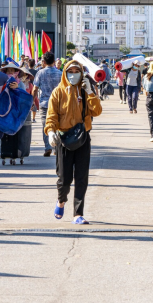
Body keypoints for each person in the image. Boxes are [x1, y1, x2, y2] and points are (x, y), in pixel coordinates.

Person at [45, 60, 102, 225]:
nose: (74, 74)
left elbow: (97, 111)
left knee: (82, 176)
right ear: (65, 73)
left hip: (83, 137)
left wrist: (91, 92)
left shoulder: (85, 91)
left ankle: (78, 213)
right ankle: (61, 200)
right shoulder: (58, 92)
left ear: (82, 74)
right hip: (64, 140)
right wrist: (50, 131)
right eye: (71, 71)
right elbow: (51, 116)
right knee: (64, 178)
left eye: (77, 71)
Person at [34, 52, 63, 157]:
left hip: (44, 103)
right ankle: (56, 148)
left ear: (44, 62)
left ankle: (48, 147)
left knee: (45, 126)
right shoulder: (60, 73)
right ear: (54, 62)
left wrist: (32, 101)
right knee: (57, 125)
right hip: (58, 104)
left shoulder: (40, 73)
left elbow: (35, 89)